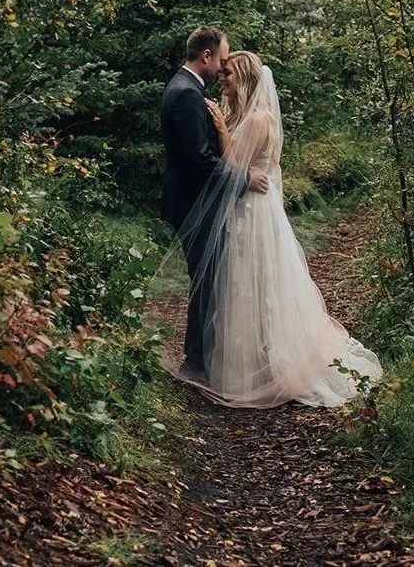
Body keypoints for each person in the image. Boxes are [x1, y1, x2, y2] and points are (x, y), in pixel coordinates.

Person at [158, 47, 383, 408]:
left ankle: (267, 366)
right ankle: (244, 361)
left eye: (229, 73)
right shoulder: (246, 114)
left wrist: (219, 129)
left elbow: (233, 162)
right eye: (223, 70)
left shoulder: (259, 119)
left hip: (252, 210)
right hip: (244, 206)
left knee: (253, 281)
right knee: (241, 282)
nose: (223, 78)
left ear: (244, 78)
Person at [159, 26, 269, 381]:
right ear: (206, 56)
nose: (222, 68)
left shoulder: (185, 88)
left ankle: (203, 361)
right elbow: (201, 161)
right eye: (221, 60)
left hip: (194, 202)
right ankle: (196, 364)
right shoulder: (188, 94)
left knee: (209, 282)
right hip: (194, 204)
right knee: (207, 284)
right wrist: (244, 179)